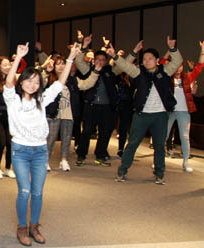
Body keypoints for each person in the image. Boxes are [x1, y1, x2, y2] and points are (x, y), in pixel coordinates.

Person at [4, 42, 78, 246]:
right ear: (22, 83)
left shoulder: (42, 100)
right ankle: (21, 228)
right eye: (28, 81)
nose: (32, 85)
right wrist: (18, 58)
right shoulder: (14, 101)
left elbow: (60, 84)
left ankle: (34, 226)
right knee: (24, 190)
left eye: (36, 82)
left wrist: (71, 58)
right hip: (19, 150)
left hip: (39, 151)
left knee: (37, 192)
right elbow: (9, 82)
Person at [110, 37, 182, 184]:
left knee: (159, 146)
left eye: (150, 59)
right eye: (144, 59)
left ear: (157, 60)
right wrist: (115, 56)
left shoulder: (165, 71)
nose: (146, 61)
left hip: (160, 116)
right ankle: (122, 171)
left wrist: (172, 49)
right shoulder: (138, 73)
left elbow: (177, 62)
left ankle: (159, 174)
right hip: (141, 115)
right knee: (133, 143)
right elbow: (125, 66)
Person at [45, 55, 99, 171]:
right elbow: (39, 82)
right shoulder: (49, 78)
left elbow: (87, 83)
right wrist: (45, 69)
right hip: (53, 113)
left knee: (67, 138)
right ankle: (45, 161)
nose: (60, 66)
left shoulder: (72, 79)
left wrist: (96, 72)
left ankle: (64, 160)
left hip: (68, 113)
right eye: (58, 64)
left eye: (63, 63)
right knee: (50, 138)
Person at [74, 33, 120, 167]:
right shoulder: (88, 70)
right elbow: (78, 61)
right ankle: (81, 155)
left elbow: (125, 65)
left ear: (106, 61)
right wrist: (84, 46)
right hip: (91, 106)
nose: (99, 62)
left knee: (105, 132)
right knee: (87, 131)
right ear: (93, 60)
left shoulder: (110, 72)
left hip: (106, 107)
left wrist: (118, 55)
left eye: (102, 59)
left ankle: (100, 155)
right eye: (97, 59)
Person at [164, 41, 203, 172]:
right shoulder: (167, 78)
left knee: (185, 137)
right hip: (169, 111)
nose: (179, 68)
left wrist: (202, 49)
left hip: (184, 111)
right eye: (177, 66)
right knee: (163, 135)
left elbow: (199, 67)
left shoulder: (187, 78)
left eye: (181, 66)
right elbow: (161, 63)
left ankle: (185, 162)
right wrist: (170, 49)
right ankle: (159, 161)